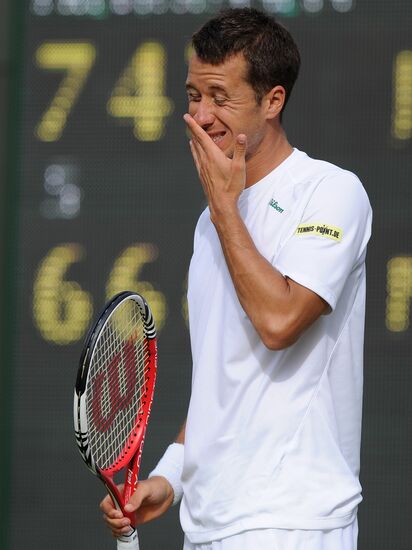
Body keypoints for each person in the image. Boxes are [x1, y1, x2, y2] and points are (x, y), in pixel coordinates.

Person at [100, 8, 372, 550]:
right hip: (206, 527)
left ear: (274, 101)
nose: (200, 115)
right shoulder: (211, 224)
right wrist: (170, 478)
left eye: (220, 98)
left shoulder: (332, 193)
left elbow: (279, 321)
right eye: (193, 95)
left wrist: (226, 210)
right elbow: (223, 385)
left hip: (293, 525)